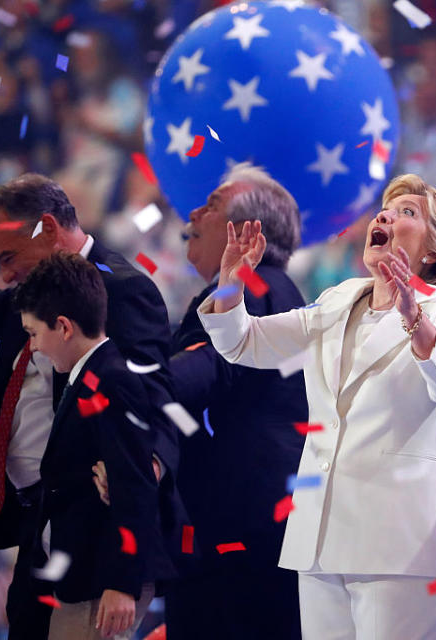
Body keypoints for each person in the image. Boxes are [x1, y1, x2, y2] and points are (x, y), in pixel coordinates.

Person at [197, 174, 436, 639]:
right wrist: (231, 285)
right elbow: (243, 344)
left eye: (408, 213)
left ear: (433, 252)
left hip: (402, 544)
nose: (386, 215)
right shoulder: (337, 301)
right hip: (320, 538)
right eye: (387, 209)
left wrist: (415, 319)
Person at [0, 173, 182, 639]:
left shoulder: (125, 292)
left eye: (9, 257)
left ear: (48, 228)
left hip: (94, 531)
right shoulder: (33, 293)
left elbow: (153, 402)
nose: (6, 274)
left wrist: (151, 463)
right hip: (36, 526)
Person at [164, 163, 308, 638]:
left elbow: (210, 365)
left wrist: (130, 388)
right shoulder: (273, 290)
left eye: (213, 204)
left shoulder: (255, 287)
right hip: (259, 529)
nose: (194, 212)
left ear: (249, 233)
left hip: (239, 538)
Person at [14, 253, 175, 640]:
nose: (33, 348)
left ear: (64, 327)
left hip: (101, 583)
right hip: (82, 577)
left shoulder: (111, 381)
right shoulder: (87, 375)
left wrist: (121, 584)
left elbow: (135, 487)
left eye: (34, 334)